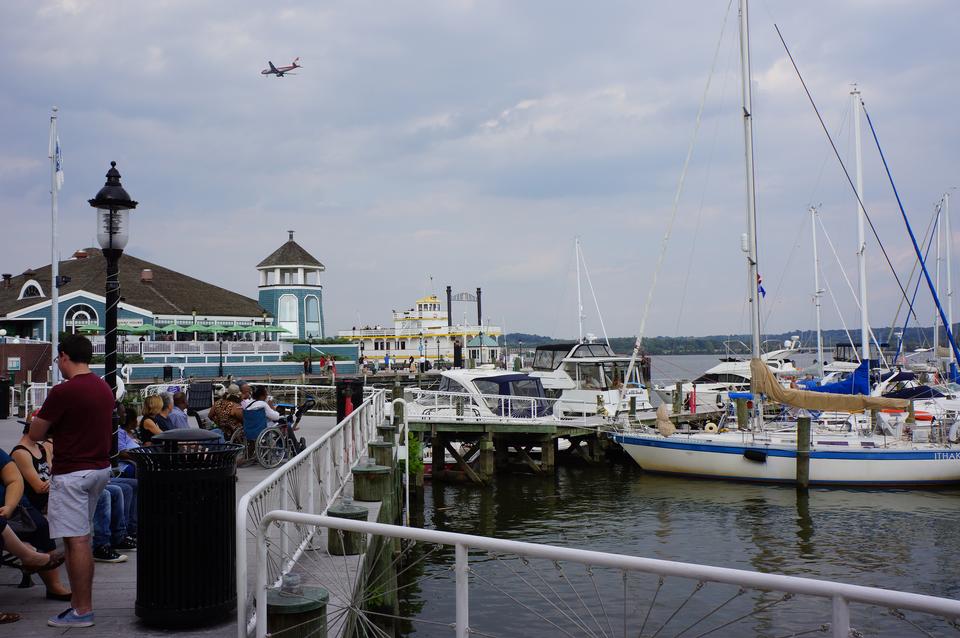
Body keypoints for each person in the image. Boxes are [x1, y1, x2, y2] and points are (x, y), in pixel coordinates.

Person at [29, 334, 114, 628]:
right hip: (99, 470)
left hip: (72, 473)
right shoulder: (104, 388)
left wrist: (43, 423)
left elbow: (36, 434)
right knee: (83, 538)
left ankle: (82, 610)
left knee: (76, 541)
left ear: (64, 356)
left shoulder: (63, 392)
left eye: (58, 358)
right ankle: (80, 606)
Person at [0, 447, 71, 601]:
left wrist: (9, 506)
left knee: (41, 526)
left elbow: (14, 479)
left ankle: (53, 585)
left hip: (13, 507)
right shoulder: (21, 451)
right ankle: (27, 553)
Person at [11, 421, 53, 513]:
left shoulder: (41, 447)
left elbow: (53, 471)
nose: (48, 434)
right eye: (46, 430)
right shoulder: (20, 453)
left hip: (50, 500)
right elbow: (39, 488)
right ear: (34, 430)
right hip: (33, 506)